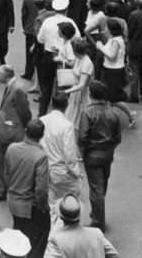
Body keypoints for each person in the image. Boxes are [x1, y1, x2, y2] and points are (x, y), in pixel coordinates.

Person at [77, 81, 122, 232]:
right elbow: (118, 137)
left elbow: (82, 137)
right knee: (102, 185)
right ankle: (97, 212)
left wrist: (84, 152)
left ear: (90, 95)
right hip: (107, 154)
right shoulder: (113, 112)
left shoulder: (87, 113)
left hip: (92, 155)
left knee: (96, 188)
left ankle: (98, 221)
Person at [5, 119, 50, 258]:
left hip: (13, 202)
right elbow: (41, 190)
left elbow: (6, 174)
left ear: (25, 131)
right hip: (29, 206)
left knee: (18, 235)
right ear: (42, 136)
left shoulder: (12, 148)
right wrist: (43, 207)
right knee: (36, 242)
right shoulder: (40, 156)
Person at [0, 66, 33, 203]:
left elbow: (24, 112)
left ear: (6, 75)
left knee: (6, 161)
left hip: (12, 131)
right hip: (8, 130)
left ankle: (6, 190)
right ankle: (3, 190)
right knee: (3, 161)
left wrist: (25, 127)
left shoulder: (17, 89)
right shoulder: (12, 87)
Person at [39, 90, 82, 219]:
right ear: (66, 105)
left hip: (47, 169)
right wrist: (76, 172)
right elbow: (69, 154)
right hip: (63, 172)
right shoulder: (67, 126)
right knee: (70, 205)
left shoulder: (42, 120)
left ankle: (53, 232)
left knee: (52, 205)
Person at [46, 195, 119, 257]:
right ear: (79, 215)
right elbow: (114, 254)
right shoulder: (97, 233)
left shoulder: (56, 240)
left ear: (61, 217)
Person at [61, 37, 94, 130]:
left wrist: (66, 91)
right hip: (75, 92)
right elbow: (72, 65)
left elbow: (82, 84)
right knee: (72, 116)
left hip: (82, 94)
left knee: (80, 118)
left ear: (76, 51)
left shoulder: (87, 63)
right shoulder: (79, 58)